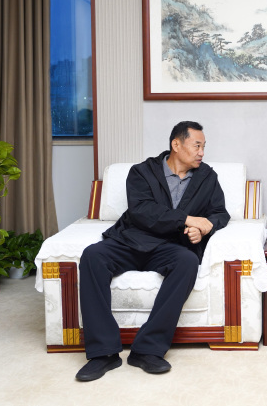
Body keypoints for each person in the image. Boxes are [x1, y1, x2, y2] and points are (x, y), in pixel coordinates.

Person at [75, 121, 230, 382]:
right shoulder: (142, 172)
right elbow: (142, 211)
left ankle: (147, 350)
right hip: (132, 239)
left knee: (187, 261)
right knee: (93, 256)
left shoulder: (207, 177)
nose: (202, 152)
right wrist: (187, 219)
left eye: (204, 147)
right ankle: (103, 353)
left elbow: (219, 213)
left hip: (171, 245)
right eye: (197, 146)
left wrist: (204, 228)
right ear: (176, 144)